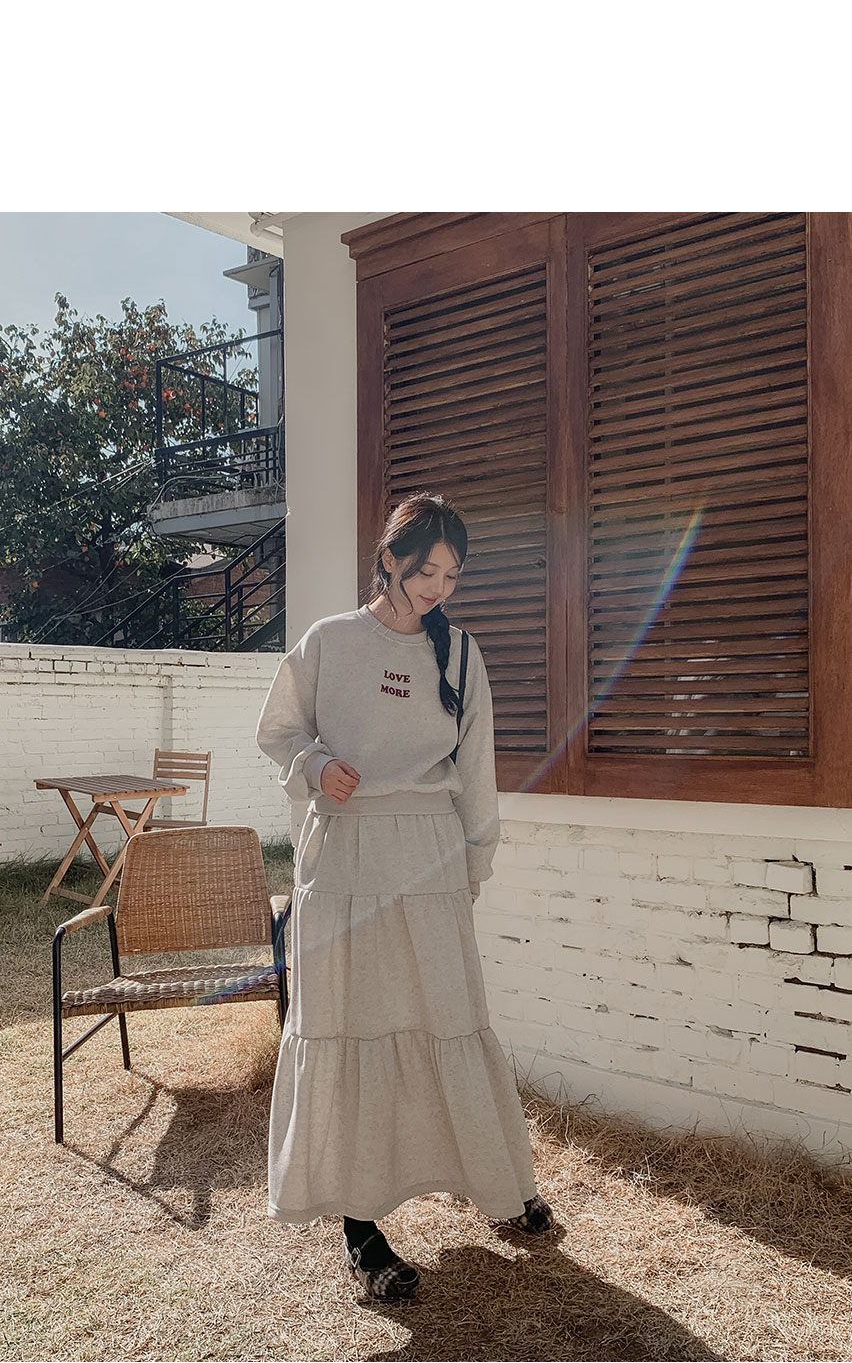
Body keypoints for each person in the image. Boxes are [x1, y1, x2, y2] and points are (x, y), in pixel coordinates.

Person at [255, 491, 554, 1301]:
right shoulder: (328, 642)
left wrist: (473, 863)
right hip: (345, 859)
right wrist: (317, 765)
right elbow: (277, 729)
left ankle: (498, 1183)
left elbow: (478, 770)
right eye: (426, 569)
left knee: (449, 1019)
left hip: (429, 858)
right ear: (388, 559)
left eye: (452, 575)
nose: (438, 587)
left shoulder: (460, 654)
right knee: (350, 1026)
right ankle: (361, 1230)